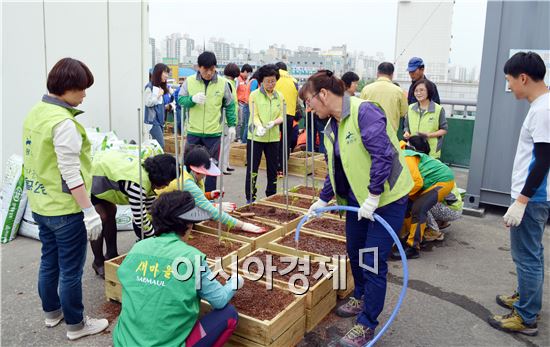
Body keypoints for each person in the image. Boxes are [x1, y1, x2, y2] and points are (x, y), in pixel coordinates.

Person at [303, 70, 413, 346]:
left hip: (385, 201)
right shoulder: (331, 126)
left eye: (309, 101)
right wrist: (322, 198)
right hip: (356, 201)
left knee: (371, 260)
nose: (308, 107)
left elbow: (383, 155)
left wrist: (374, 196)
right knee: (355, 250)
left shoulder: (364, 112)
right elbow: (335, 168)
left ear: (324, 95)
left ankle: (367, 323)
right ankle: (361, 295)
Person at [22, 57, 108, 339]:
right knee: (70, 269)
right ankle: (77, 325)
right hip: (64, 209)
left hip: (41, 204)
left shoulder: (37, 112)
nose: (85, 94)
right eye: (82, 88)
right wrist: (89, 211)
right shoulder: (64, 123)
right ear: (68, 87)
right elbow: (70, 173)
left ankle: (52, 313)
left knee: (49, 261)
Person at [113, 190, 243, 346]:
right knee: (228, 314)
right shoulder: (192, 259)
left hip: (123, 342)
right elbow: (220, 300)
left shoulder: (137, 249)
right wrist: (235, 282)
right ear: (188, 223)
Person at [488, 51, 550, 336]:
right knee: (531, 255)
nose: (510, 85)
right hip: (534, 196)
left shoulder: (543, 109)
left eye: (510, 80)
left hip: (533, 197)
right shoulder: (542, 105)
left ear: (523, 77)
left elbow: (543, 160)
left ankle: (525, 316)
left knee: (526, 257)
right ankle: (526, 298)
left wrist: (521, 202)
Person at [89, 152, 177, 276]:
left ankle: (111, 254)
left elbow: (150, 209)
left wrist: (164, 228)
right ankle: (98, 262)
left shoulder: (149, 176)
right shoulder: (138, 185)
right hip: (94, 176)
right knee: (101, 217)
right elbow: (140, 219)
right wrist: (155, 238)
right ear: (160, 176)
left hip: (107, 173)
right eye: (167, 181)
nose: (167, 185)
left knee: (111, 212)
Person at [157, 145, 265, 233]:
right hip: (160, 216)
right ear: (196, 170)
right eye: (204, 173)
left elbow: (193, 197)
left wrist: (210, 195)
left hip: (168, 209)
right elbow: (211, 211)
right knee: (201, 214)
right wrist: (243, 226)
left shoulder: (186, 171)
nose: (205, 176)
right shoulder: (186, 182)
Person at [178, 51, 237, 192]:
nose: (209, 73)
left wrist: (232, 125)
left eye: (212, 69)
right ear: (199, 67)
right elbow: (180, 100)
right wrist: (192, 99)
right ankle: (189, 197)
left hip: (213, 133)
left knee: (211, 168)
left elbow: (230, 105)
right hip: (194, 131)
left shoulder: (223, 83)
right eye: (206, 69)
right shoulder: (190, 81)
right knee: (188, 166)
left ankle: (210, 199)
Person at [392, 135, 455, 259]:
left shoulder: (406, 155)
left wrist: (401, 196)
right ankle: (410, 236)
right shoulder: (400, 153)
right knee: (407, 206)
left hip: (442, 180)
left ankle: (413, 247)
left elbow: (417, 182)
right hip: (431, 182)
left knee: (418, 208)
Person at [246, 64, 285, 203]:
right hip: (256, 137)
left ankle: (271, 196)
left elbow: (283, 115)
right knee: (252, 169)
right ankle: (250, 197)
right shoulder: (254, 95)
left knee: (272, 169)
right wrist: (259, 126)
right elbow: (254, 114)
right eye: (268, 81)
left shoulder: (279, 96)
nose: (271, 84)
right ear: (261, 81)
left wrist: (274, 122)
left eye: (273, 81)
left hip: (273, 137)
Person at [403, 79, 448, 159]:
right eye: (416, 91)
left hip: (432, 151)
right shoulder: (410, 108)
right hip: (413, 150)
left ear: (429, 91)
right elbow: (406, 125)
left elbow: (444, 130)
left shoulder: (438, 109)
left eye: (422, 90)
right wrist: (406, 132)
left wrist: (429, 135)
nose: (418, 93)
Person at [360, 62, 408, 134]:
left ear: (377, 73)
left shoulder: (366, 89)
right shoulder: (399, 91)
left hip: (370, 132)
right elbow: (403, 112)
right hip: (390, 133)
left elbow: (360, 110)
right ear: (392, 75)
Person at [275, 62, 299, 175]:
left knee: (274, 140)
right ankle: (283, 168)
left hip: (276, 114)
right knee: (286, 141)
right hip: (289, 114)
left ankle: (275, 166)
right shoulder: (294, 80)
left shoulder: (274, 77)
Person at [144, 63, 172, 149]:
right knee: (160, 145)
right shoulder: (150, 87)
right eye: (165, 73)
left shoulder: (161, 87)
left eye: (168, 73)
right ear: (158, 73)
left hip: (160, 122)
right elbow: (148, 103)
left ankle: (153, 162)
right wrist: (158, 95)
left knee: (156, 147)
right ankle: (157, 162)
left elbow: (160, 105)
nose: (167, 76)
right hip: (153, 122)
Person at [221, 63, 241, 174]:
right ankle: (223, 167)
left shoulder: (230, 83)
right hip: (227, 120)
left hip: (229, 119)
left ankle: (226, 164)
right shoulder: (228, 83)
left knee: (227, 143)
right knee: (225, 144)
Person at [237, 64, 253, 142]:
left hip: (244, 104)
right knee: (239, 122)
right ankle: (238, 138)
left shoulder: (244, 81)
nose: (249, 75)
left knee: (243, 122)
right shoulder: (238, 79)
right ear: (245, 71)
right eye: (249, 73)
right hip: (239, 103)